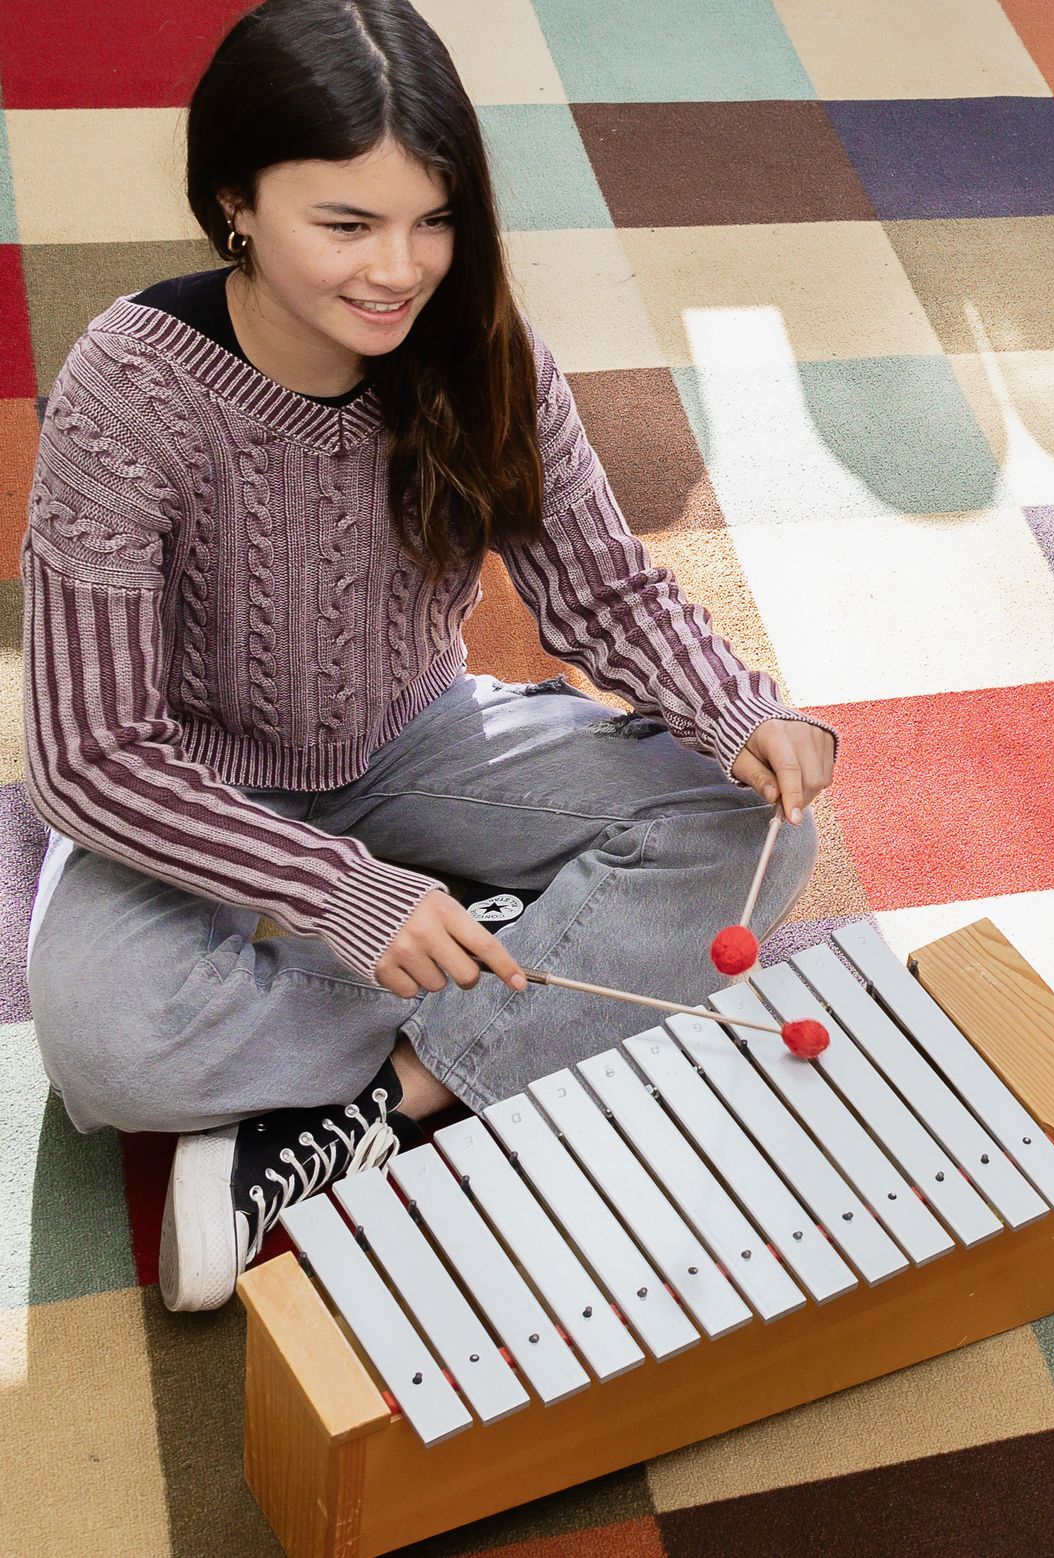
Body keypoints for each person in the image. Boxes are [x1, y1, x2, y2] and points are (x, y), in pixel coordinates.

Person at [21, 0, 833, 1311]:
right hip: (196, 788)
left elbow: (600, 589)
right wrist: (341, 890)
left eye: (432, 218)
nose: (399, 268)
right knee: (104, 1044)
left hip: (421, 731)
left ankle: (391, 1099)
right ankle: (519, 953)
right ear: (235, 203)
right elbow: (84, 755)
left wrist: (736, 710)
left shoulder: (486, 350)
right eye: (346, 224)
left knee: (765, 836)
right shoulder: (129, 384)